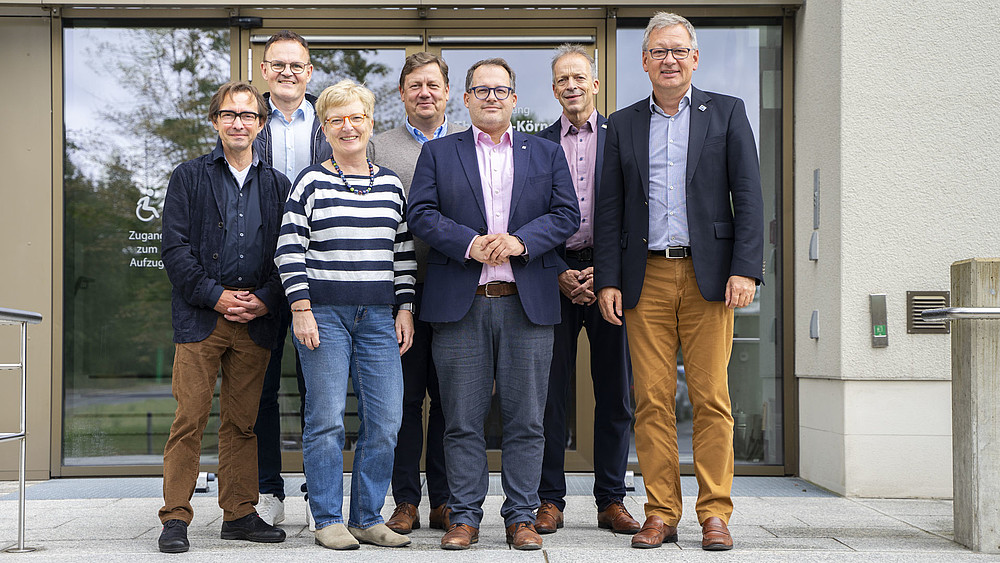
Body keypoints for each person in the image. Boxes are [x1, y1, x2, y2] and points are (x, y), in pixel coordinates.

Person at [594, 12, 764, 552]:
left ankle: (714, 512)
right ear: (644, 62)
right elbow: (610, 210)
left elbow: (751, 199)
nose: (669, 59)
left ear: (694, 58)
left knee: (712, 398)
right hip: (645, 276)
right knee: (651, 399)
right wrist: (609, 280)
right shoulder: (621, 125)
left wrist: (746, 268)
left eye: (678, 50)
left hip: (709, 277)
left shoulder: (729, 113)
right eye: (658, 52)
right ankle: (661, 512)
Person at [407, 58, 580, 551]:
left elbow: (566, 214)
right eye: (481, 90)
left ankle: (520, 517)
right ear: (465, 99)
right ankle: (464, 517)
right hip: (462, 304)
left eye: (500, 90)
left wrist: (522, 242)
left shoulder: (545, 153)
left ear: (514, 98)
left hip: (527, 305)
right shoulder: (440, 153)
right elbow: (420, 213)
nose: (491, 98)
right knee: (462, 419)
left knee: (526, 419)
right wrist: (468, 243)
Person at [275, 79, 417, 551]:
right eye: (336, 119)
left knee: (386, 419)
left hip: (379, 316)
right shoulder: (311, 181)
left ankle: (367, 517)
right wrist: (301, 309)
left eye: (356, 117)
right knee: (327, 419)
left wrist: (406, 308)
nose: (348, 126)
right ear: (324, 127)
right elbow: (289, 248)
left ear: (370, 123)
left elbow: (403, 253)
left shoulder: (392, 184)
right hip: (324, 315)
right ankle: (327, 518)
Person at [157, 81, 289, 554]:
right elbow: (174, 249)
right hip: (201, 320)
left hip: (255, 322)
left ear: (261, 123)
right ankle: (175, 518)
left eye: (248, 115)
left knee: (242, 424)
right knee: (188, 419)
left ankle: (238, 514)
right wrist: (215, 296)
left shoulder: (277, 185)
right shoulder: (189, 177)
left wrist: (268, 298)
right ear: (215, 121)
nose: (238, 122)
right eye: (229, 114)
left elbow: (288, 252)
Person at [533, 44, 639, 537]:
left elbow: (639, 208)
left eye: (579, 77)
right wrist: (556, 269)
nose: (571, 86)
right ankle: (549, 500)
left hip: (610, 277)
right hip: (552, 277)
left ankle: (611, 499)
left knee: (615, 392)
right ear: (553, 89)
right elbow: (525, 216)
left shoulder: (623, 136)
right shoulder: (537, 144)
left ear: (595, 84)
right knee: (550, 396)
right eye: (562, 80)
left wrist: (606, 272)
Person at [369, 51, 461, 535]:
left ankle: (444, 501)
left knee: (450, 400)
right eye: (414, 86)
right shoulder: (378, 146)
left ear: (447, 92)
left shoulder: (469, 144)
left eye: (433, 84)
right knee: (401, 401)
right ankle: (405, 500)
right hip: (396, 293)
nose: (424, 92)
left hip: (456, 290)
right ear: (402, 94)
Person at [252, 30, 333, 528]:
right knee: (259, 385)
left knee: (316, 387)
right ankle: (267, 489)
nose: (286, 72)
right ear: (265, 71)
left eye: (296, 65)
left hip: (318, 268)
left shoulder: (329, 124)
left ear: (309, 72)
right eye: (277, 64)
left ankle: (315, 489)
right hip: (257, 270)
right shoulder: (245, 120)